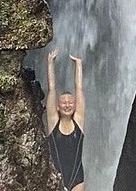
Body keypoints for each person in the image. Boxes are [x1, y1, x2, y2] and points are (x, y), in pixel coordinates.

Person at [45, 49, 85, 191]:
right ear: (57, 106)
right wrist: (50, 64)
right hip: (56, 178)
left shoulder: (78, 121)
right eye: (63, 102)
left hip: (77, 178)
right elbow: (52, 89)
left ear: (74, 106)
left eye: (70, 102)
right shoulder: (53, 122)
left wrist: (78, 65)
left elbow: (79, 89)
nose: (67, 105)